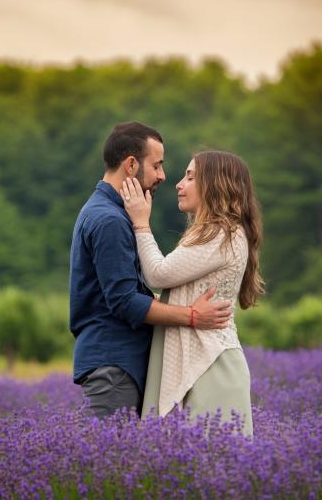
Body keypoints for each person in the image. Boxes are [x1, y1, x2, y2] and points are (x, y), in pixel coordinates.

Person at [70, 122, 233, 419]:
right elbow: (123, 301)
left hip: (116, 364)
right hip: (115, 366)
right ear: (131, 165)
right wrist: (193, 316)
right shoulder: (109, 220)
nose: (163, 176)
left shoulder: (110, 213)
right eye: (156, 165)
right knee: (108, 462)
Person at [120, 150, 264, 437]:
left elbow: (158, 274)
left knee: (212, 470)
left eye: (190, 177)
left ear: (216, 185)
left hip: (211, 366)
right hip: (204, 364)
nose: (178, 184)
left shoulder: (224, 232)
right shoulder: (215, 233)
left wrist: (140, 224)